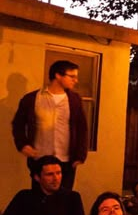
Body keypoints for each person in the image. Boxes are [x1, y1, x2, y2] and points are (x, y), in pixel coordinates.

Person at [11, 60, 88, 189]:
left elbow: (82, 128)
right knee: (39, 198)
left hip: (66, 160)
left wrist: (80, 155)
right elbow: (18, 124)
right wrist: (23, 144)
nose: (76, 80)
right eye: (72, 76)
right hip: (40, 158)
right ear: (58, 75)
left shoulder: (74, 100)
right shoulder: (32, 99)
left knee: (64, 198)